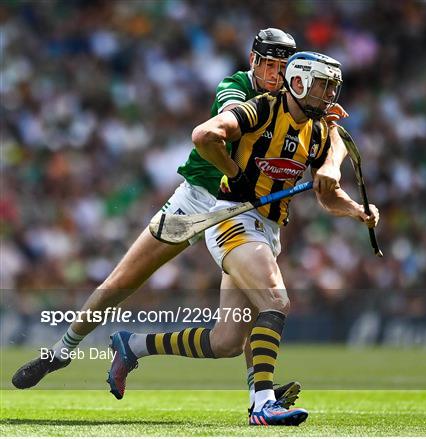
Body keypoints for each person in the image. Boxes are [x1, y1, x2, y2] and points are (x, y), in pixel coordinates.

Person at [12, 28, 327, 415]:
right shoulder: (236, 88)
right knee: (122, 282)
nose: (275, 74)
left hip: (241, 212)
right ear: (253, 60)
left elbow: (322, 135)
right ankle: (61, 351)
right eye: (269, 64)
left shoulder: (291, 101)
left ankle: (258, 394)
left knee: (247, 313)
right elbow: (223, 119)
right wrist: (235, 168)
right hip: (197, 199)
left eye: (283, 68)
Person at [108, 51, 379, 426]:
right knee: (276, 299)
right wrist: (236, 173)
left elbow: (327, 195)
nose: (329, 95)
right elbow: (204, 136)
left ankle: (133, 344)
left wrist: (355, 209)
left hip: (266, 231)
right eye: (322, 86)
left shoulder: (316, 131)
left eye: (333, 87)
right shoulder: (262, 109)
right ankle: (262, 403)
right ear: (297, 82)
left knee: (226, 342)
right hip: (233, 219)